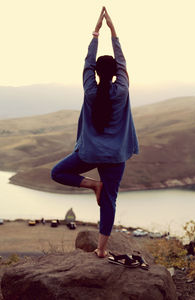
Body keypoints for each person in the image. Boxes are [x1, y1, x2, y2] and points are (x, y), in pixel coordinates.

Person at [51, 7, 138, 258]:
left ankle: (93, 184)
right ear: (117, 74)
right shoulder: (121, 90)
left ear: (96, 73)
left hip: (89, 154)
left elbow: (88, 63)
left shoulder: (90, 90)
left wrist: (95, 34)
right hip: (115, 157)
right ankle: (101, 250)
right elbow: (122, 62)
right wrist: (114, 31)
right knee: (109, 200)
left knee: (58, 172)